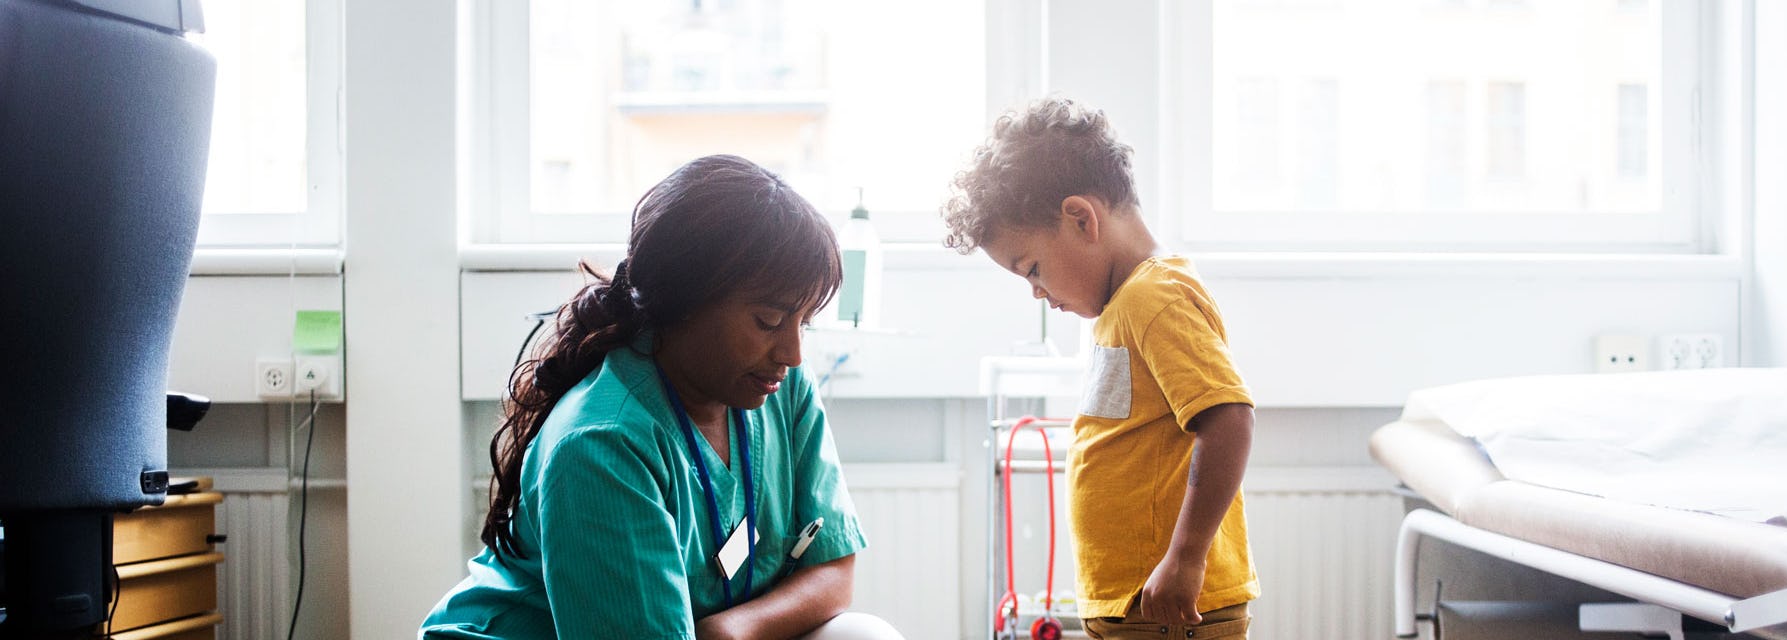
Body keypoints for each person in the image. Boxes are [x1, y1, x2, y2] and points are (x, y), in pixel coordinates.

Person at [423, 155, 904, 640]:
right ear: (684, 302)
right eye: (769, 322)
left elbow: (835, 570)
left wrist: (733, 630)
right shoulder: (602, 445)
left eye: (806, 322)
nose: (794, 353)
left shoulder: (777, 389)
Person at [943, 98, 1259, 639]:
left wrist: (1185, 559)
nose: (1038, 292)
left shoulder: (1154, 297)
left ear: (1081, 218)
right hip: (1130, 602)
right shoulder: (1122, 307)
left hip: (1168, 605)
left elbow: (1228, 418)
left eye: (1033, 269)